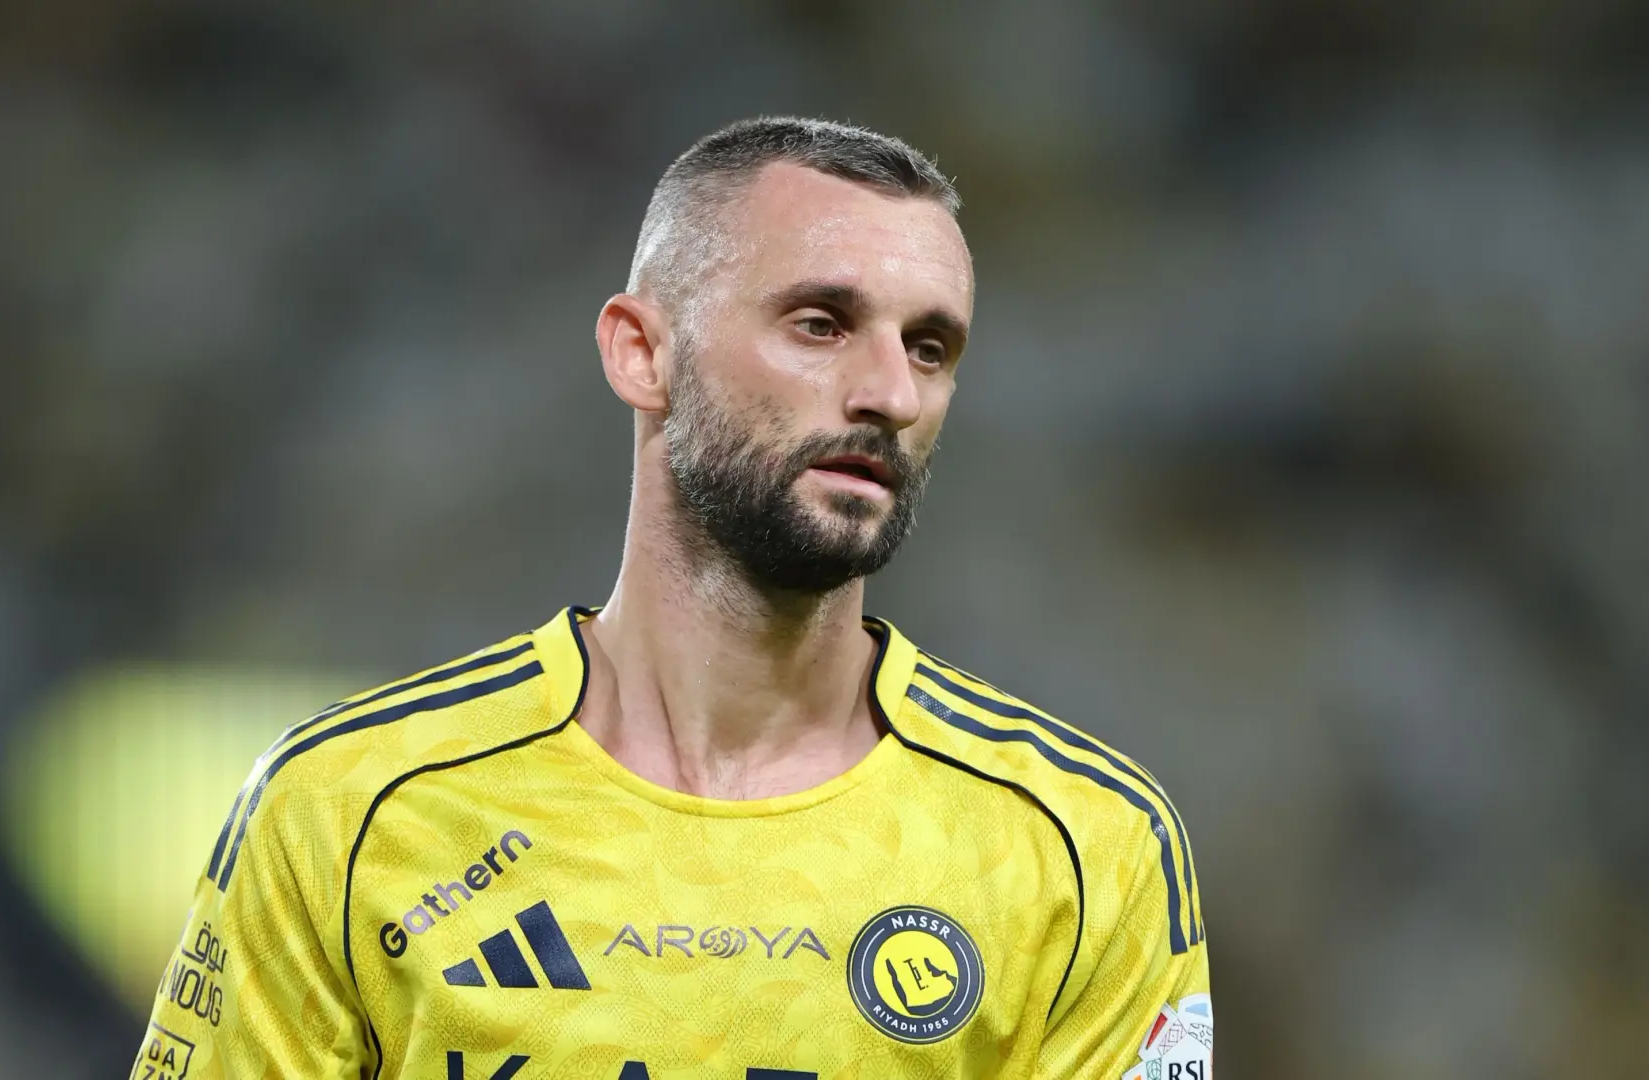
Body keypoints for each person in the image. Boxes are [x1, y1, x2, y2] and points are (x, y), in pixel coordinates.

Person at [133, 116, 1211, 1080]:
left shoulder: (1082, 847)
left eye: (929, 348)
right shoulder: (351, 809)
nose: (890, 393)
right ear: (642, 353)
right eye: (821, 323)